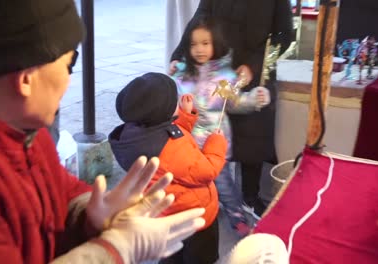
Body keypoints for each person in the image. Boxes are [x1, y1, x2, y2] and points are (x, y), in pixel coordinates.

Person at [0, 0, 206, 263]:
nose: (69, 82)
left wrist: (90, 211)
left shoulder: (22, 129)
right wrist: (114, 250)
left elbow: (59, 186)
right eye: (69, 64)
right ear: (26, 79)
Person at [169, 0, 294, 216]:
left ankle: (249, 198)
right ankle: (213, 195)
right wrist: (179, 55)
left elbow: (284, 35)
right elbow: (199, 18)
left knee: (252, 136)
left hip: (256, 69)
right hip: (217, 67)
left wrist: (255, 67)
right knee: (212, 135)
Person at [108, 72, 227, 264]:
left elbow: (170, 139)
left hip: (165, 214)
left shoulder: (138, 136)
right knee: (200, 258)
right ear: (162, 112)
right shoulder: (172, 149)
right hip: (194, 216)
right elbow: (207, 170)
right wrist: (216, 143)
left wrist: (185, 116)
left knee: (171, 256)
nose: (177, 100)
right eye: (174, 100)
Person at [171, 16, 271, 236]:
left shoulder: (225, 77)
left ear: (215, 43)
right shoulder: (181, 74)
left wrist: (255, 99)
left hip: (216, 143)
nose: (199, 49)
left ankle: (237, 218)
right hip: (188, 144)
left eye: (205, 43)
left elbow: (236, 103)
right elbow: (173, 104)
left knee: (224, 183)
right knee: (191, 183)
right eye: (194, 44)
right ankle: (199, 213)